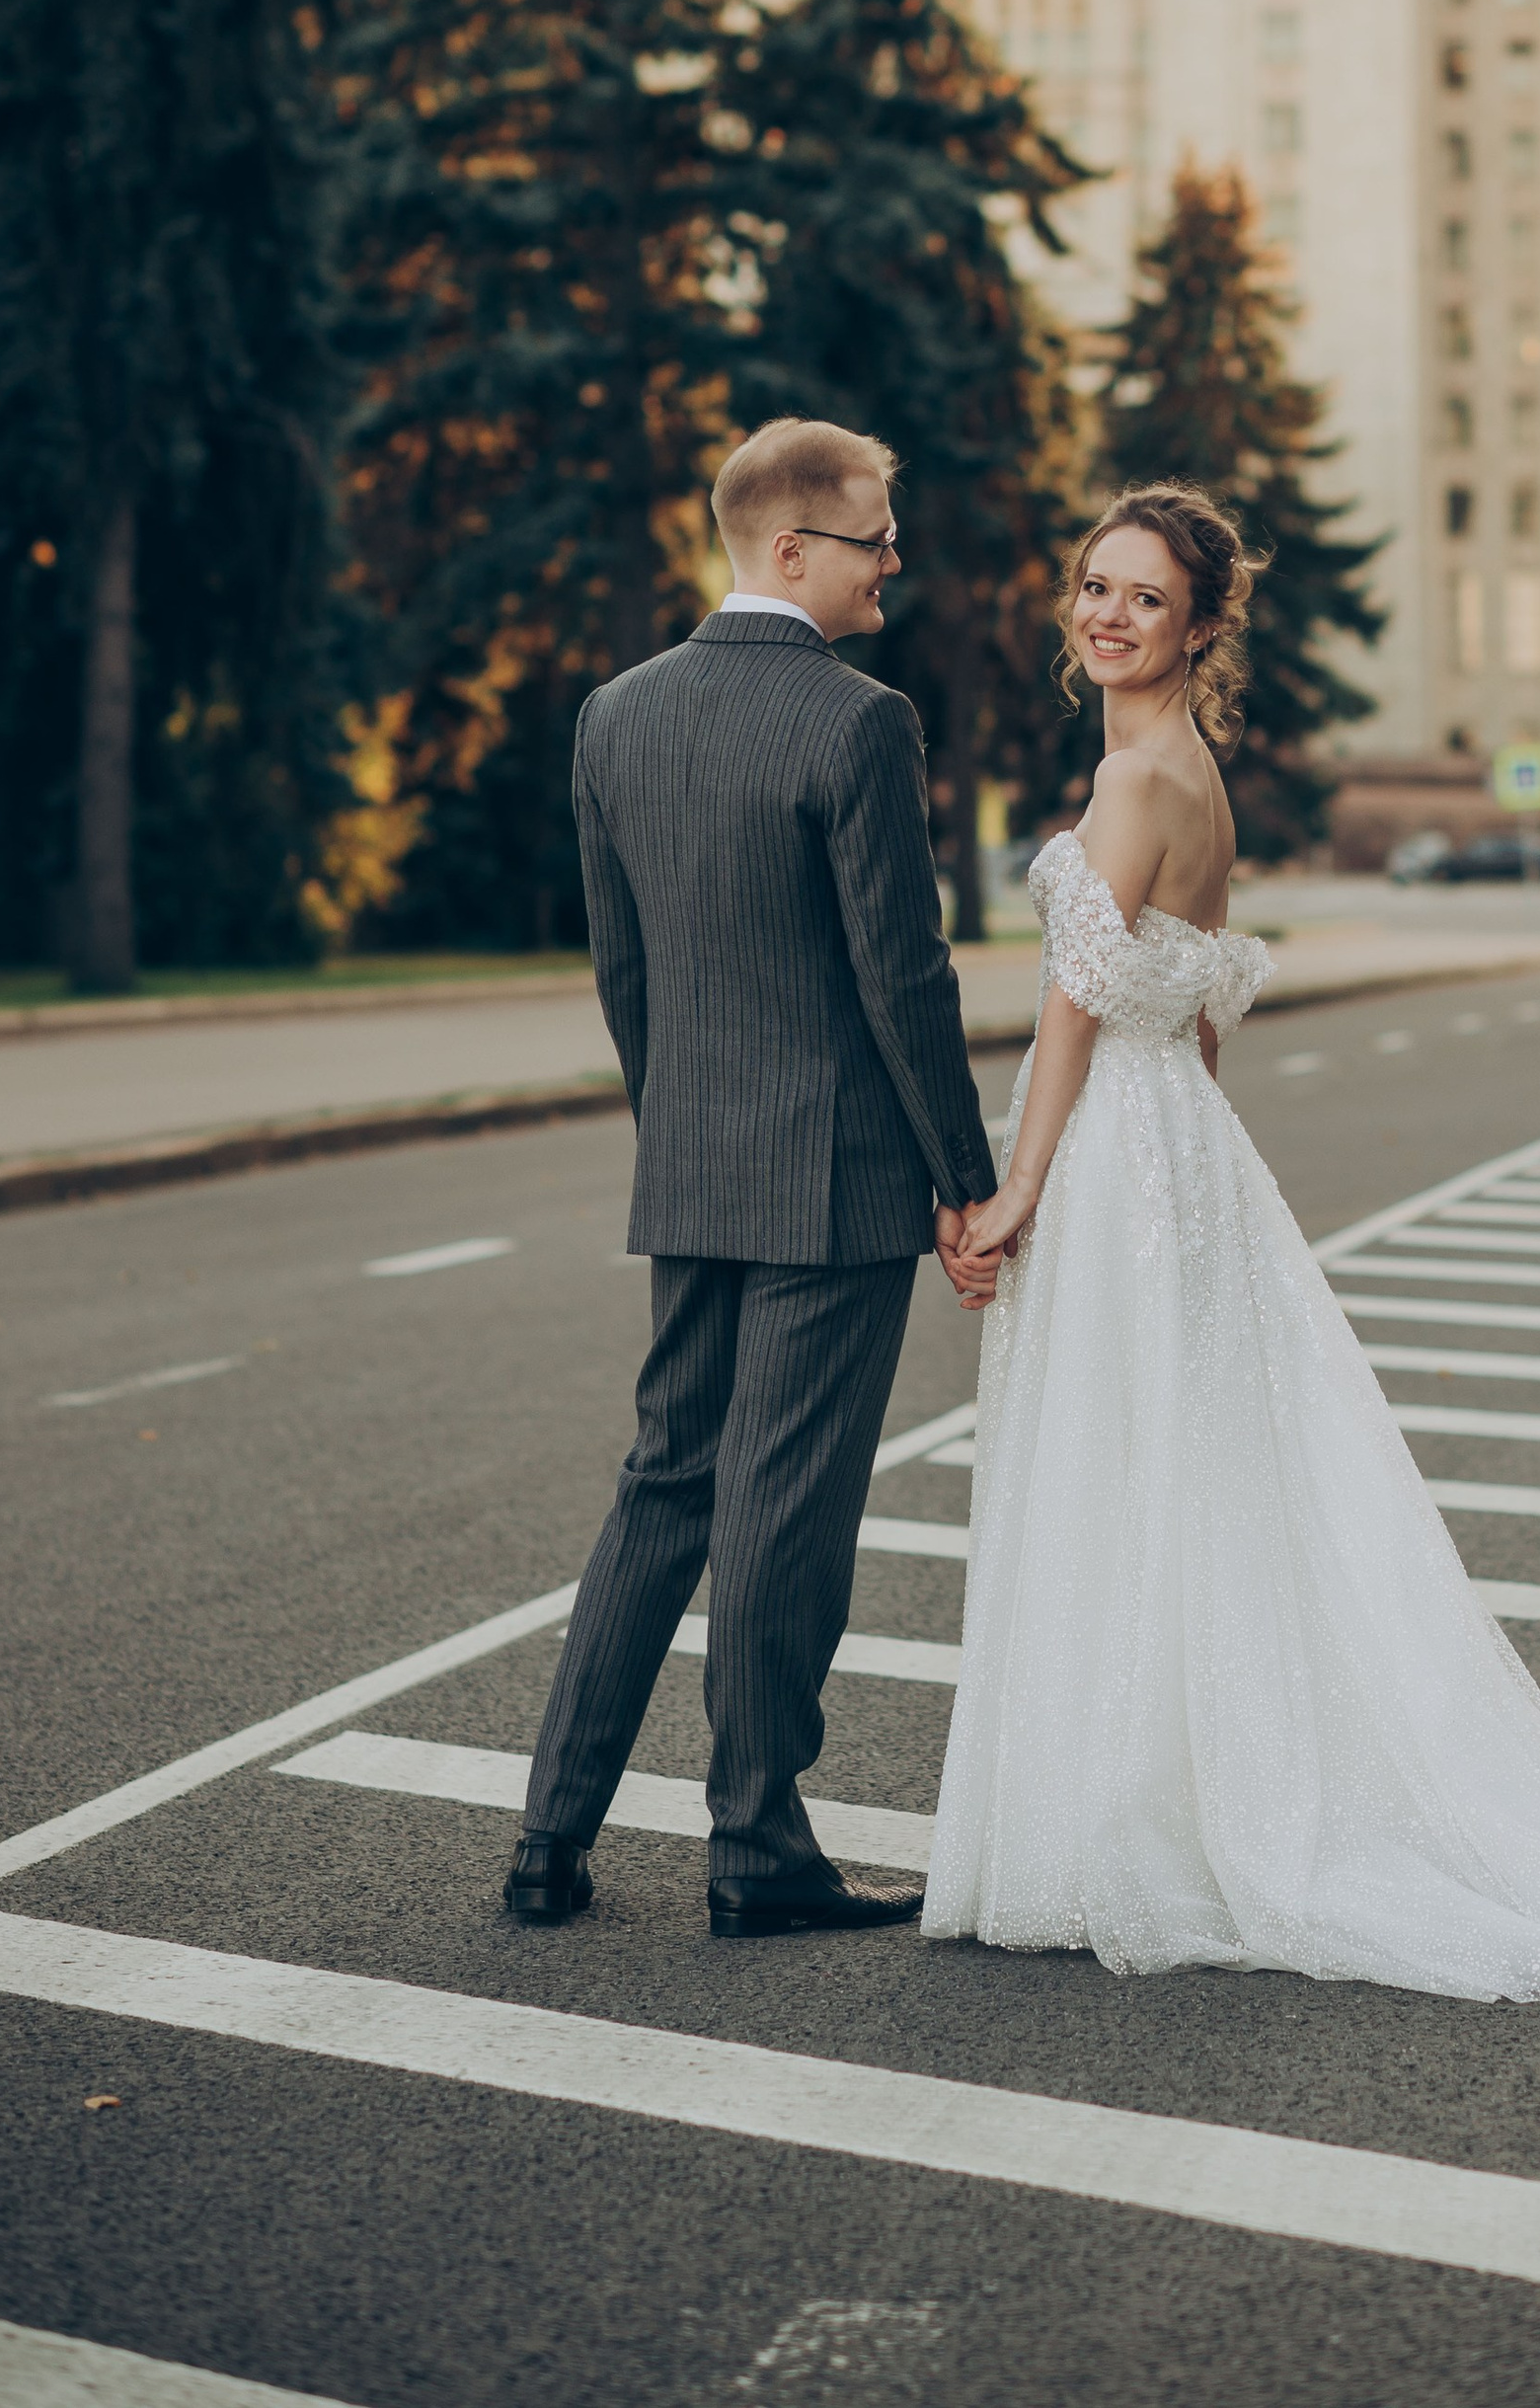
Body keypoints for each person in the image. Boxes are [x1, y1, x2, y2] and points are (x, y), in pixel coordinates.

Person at [921, 484, 1540, 2005]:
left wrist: (1020, 1186)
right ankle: (1151, 1791)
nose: (1108, 616)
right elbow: (1200, 1009)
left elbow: (1076, 1008)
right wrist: (1200, 1172)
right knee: (1190, 1471)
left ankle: (1124, 1819)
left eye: (1145, 598)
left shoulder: (1137, 779)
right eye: (1095, 586)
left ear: (1198, 627)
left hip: (1116, 1148)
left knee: (1121, 1461)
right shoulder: (1191, 772)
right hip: (1177, 1151)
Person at [507, 418, 1002, 1942]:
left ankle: (549, 1839)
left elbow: (624, 972)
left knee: (664, 1486)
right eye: (875, 536)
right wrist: (965, 1179)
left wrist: (680, 1133)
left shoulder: (616, 715)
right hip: (837, 1187)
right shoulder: (859, 722)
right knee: (786, 1511)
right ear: (790, 548)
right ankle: (756, 1852)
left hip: (698, 1167)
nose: (895, 559)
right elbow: (903, 976)